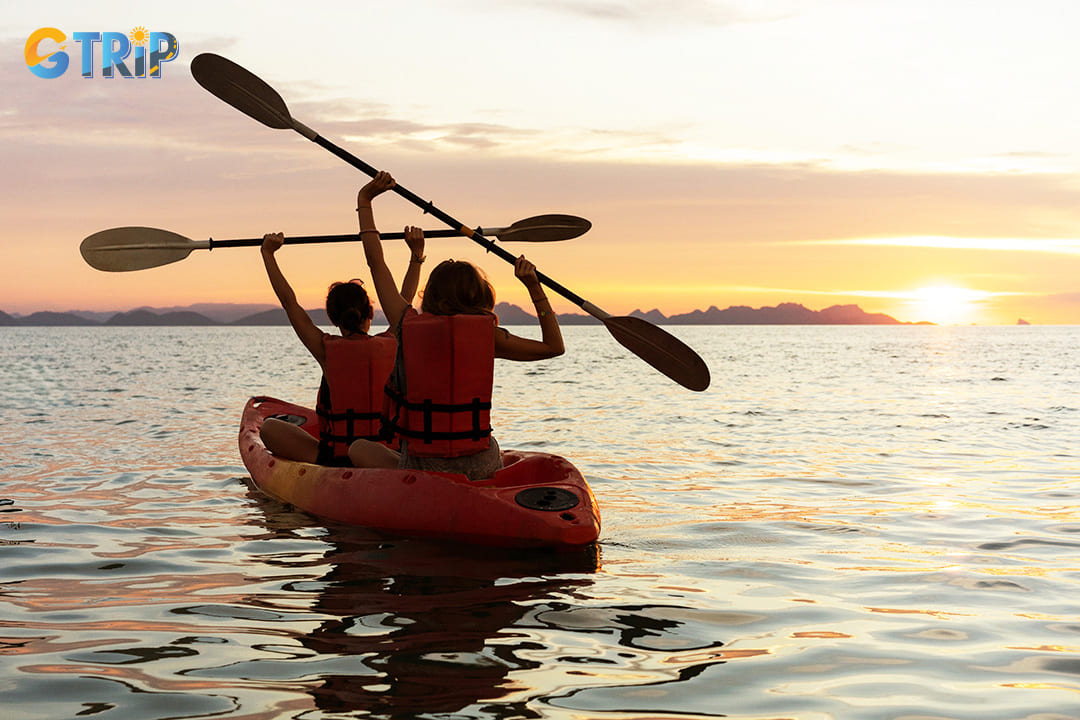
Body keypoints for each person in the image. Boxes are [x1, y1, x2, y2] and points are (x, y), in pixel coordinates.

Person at [348, 171, 565, 480]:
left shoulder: (405, 323)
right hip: (480, 466)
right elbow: (554, 348)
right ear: (482, 296)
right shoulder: (489, 336)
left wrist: (365, 200)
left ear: (432, 294)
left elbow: (376, 263)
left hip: (423, 467)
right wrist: (534, 287)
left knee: (359, 448)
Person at [258, 227, 426, 465]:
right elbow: (405, 298)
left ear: (333, 318)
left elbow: (289, 302)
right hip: (387, 455)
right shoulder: (393, 340)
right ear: (370, 313)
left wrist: (268, 254)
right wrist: (416, 255)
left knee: (269, 428)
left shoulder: (325, 349)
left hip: (336, 460)